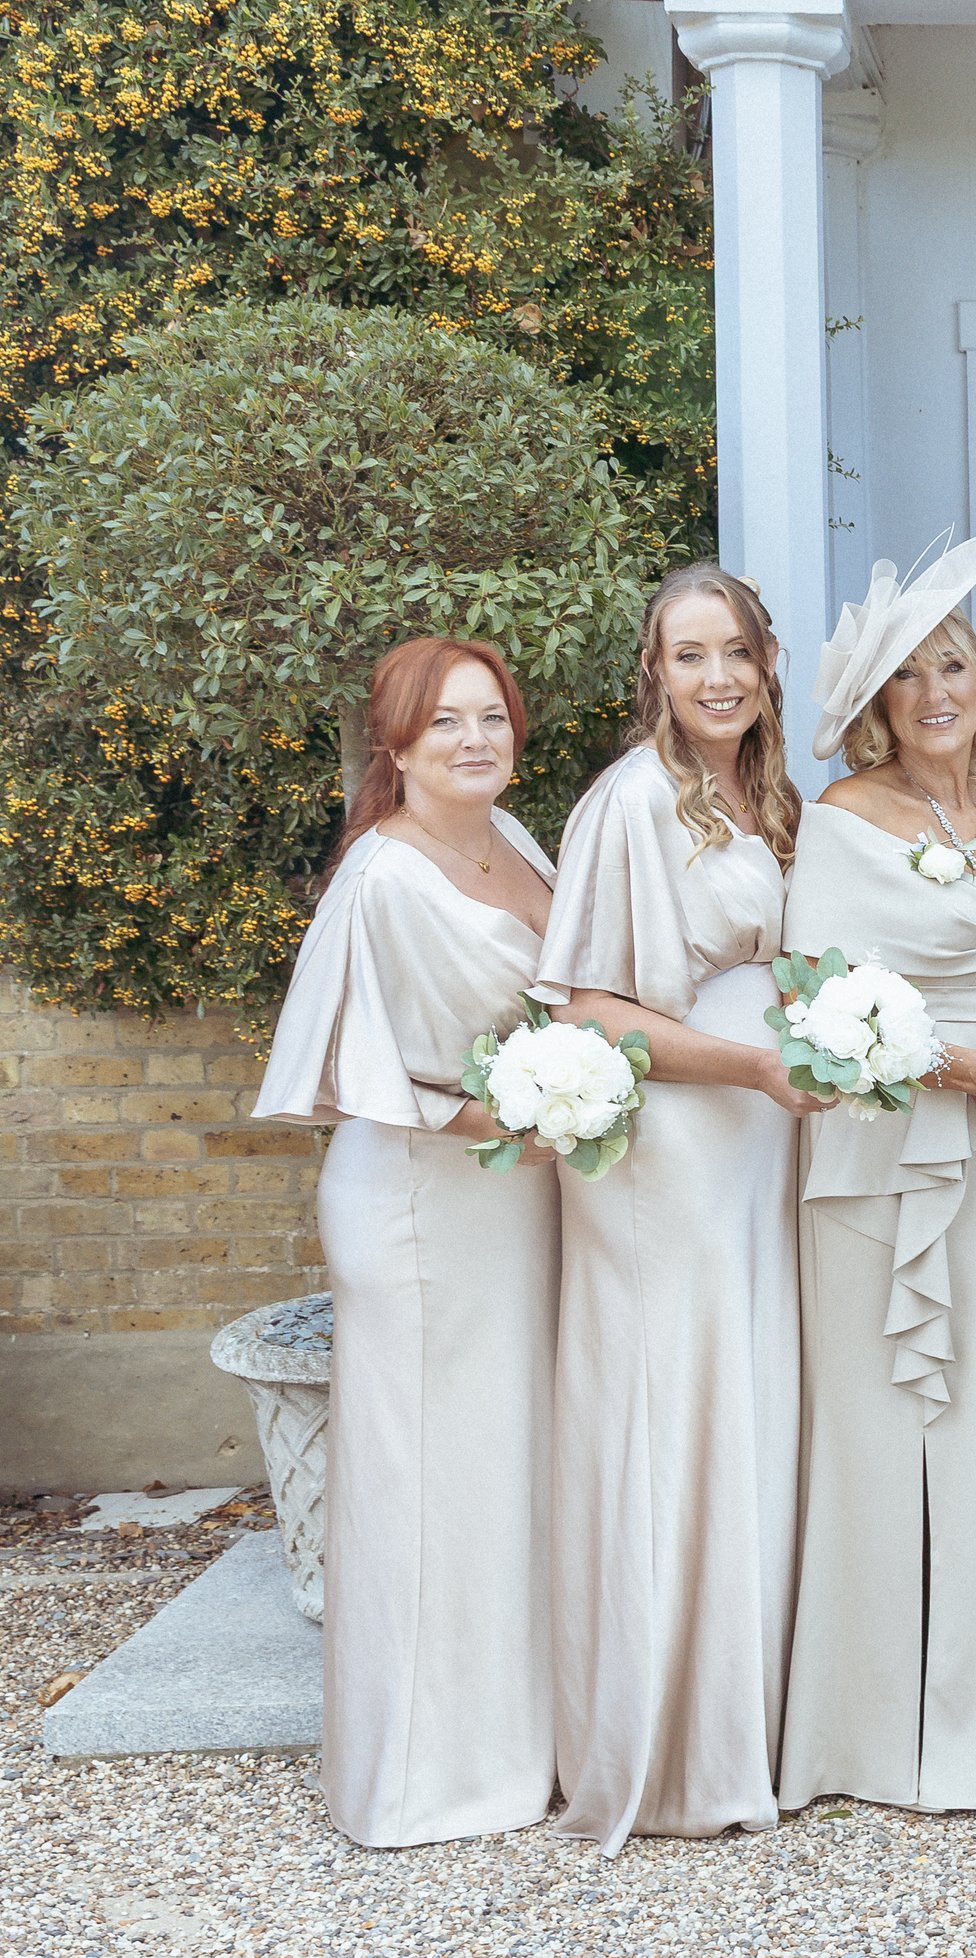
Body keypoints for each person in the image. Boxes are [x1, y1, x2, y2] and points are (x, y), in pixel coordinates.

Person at [776, 535, 976, 1813]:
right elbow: (822, 999)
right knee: (872, 1429)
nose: (934, 692)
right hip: (882, 1147)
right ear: (875, 703)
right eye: (906, 675)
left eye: (951, 665)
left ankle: (973, 1737)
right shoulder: (842, 821)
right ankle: (858, 1736)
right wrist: (975, 1067)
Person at [255, 637, 559, 1847]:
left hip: (513, 1196)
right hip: (422, 1203)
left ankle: (509, 1742)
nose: (475, 740)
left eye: (492, 716)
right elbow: (368, 1077)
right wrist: (539, 1112)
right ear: (396, 743)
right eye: (445, 723)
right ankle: (417, 1777)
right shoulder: (383, 875)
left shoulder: (513, 836)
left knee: (500, 1469)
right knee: (425, 1477)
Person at [532, 565, 817, 1853]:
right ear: (654, 671)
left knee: (738, 1411)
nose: (717, 676)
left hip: (754, 1144)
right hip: (675, 1149)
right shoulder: (631, 800)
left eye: (735, 652)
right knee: (671, 1417)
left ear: (766, 662)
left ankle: (740, 1723)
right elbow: (590, 1005)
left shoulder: (761, 791)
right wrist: (754, 1064)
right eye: (689, 655)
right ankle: (665, 1751)